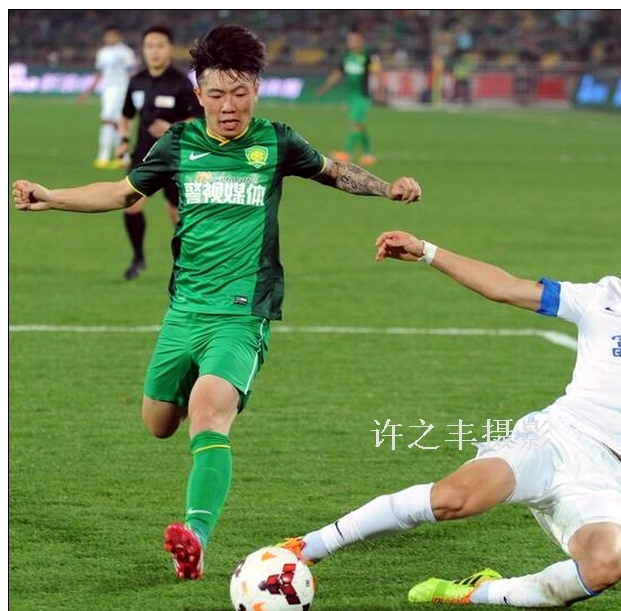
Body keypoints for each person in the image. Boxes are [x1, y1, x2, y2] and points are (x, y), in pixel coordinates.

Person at [12, 24, 422, 582]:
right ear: (199, 93)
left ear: (256, 90)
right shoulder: (178, 144)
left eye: (240, 93)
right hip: (184, 311)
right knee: (159, 423)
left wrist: (386, 187)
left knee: (207, 413)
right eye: (217, 94)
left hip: (242, 312)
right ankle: (199, 393)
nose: (229, 106)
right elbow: (122, 192)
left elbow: (334, 171)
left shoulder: (276, 141)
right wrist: (52, 196)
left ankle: (196, 537)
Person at [274, 207, 621, 609]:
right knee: (454, 498)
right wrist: (428, 252)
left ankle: (480, 592)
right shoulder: (601, 298)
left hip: (610, 477)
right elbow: (507, 288)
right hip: (553, 440)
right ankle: (308, 546)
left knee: (606, 565)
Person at [116, 26, 204, 281]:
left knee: (176, 215)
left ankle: (189, 264)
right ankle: (138, 258)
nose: (154, 51)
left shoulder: (180, 83)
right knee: (130, 205)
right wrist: (123, 140)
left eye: (160, 45)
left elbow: (199, 119)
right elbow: (126, 115)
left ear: (170, 48)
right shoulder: (136, 81)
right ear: (143, 50)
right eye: (149, 46)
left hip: (176, 158)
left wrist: (172, 127)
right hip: (144, 156)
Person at [315, 29, 379, 166]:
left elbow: (377, 72)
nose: (351, 42)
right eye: (349, 40)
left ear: (360, 41)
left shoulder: (368, 56)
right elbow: (337, 74)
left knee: (356, 123)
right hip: (351, 96)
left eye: (353, 40)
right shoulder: (346, 56)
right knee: (360, 125)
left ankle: (347, 153)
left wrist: (380, 89)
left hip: (362, 95)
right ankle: (367, 154)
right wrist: (325, 87)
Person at [78, 26, 138, 170]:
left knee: (112, 122)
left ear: (118, 36)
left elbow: (132, 73)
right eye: (107, 36)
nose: (109, 38)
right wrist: (88, 92)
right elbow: (99, 74)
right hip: (108, 91)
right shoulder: (102, 53)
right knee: (113, 122)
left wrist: (134, 91)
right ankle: (122, 158)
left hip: (123, 89)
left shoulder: (125, 52)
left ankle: (105, 157)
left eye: (112, 36)